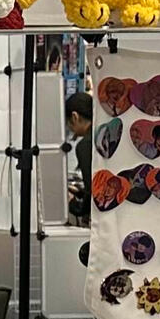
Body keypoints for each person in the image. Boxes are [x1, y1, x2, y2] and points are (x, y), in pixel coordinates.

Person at [66, 90, 93, 224]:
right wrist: (80, 192)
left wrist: (73, 204)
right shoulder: (102, 135)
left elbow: (92, 189)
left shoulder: (85, 145)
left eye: (68, 123)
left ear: (75, 117)